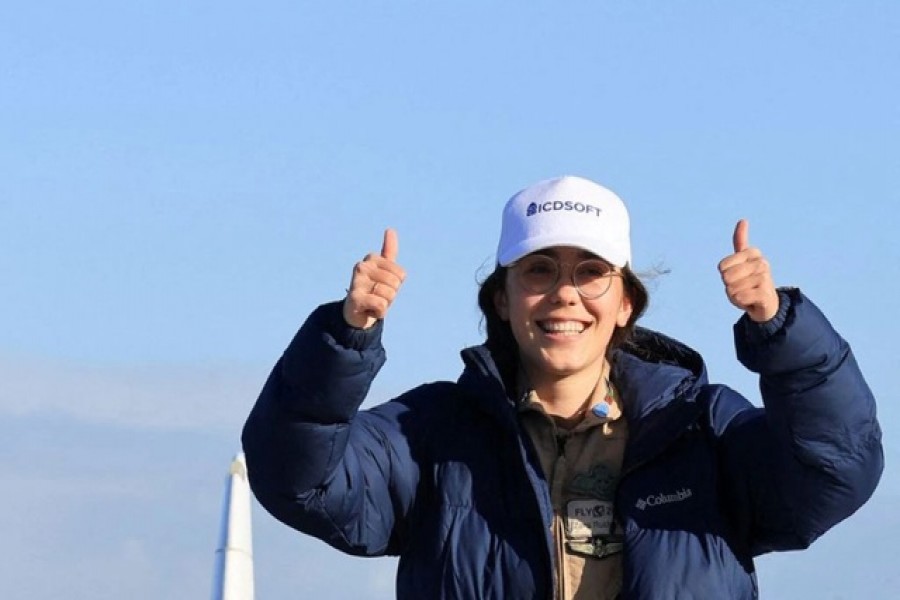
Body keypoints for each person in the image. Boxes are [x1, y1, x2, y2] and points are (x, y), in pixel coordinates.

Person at [242, 175, 883, 599]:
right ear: (502, 299)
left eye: (592, 272)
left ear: (627, 303)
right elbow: (299, 479)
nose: (565, 294)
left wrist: (780, 328)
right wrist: (345, 339)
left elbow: (836, 469)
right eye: (539, 270)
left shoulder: (702, 428)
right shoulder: (431, 432)